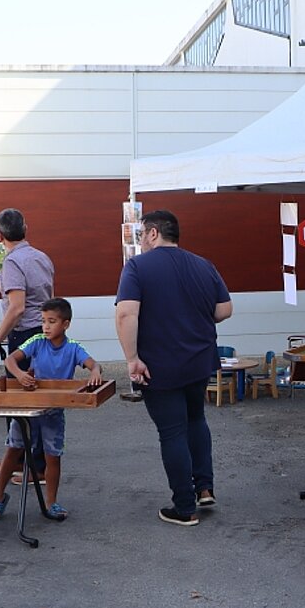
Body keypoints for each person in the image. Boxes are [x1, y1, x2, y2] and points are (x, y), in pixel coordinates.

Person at [115, 210, 231, 526]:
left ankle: (184, 506)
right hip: (199, 359)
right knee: (196, 419)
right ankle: (204, 488)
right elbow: (224, 310)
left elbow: (127, 314)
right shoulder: (204, 264)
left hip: (159, 364)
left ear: (153, 233)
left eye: (141, 234)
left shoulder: (137, 267)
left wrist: (131, 358)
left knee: (172, 431)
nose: (140, 241)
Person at [0, 298, 102, 522]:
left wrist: (95, 371)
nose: (46, 326)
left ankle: (51, 503)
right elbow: (11, 360)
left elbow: (93, 364)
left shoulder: (73, 348)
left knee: (53, 457)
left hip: (54, 411)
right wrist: (20, 375)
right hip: (28, 408)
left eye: (52, 321)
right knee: (13, 450)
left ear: (66, 324)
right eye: (43, 321)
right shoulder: (37, 341)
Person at [0, 209, 54, 479]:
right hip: (44, 331)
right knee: (32, 397)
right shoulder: (41, 256)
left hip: (25, 335)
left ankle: (34, 466)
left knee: (22, 401)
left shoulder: (13, 262)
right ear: (26, 227)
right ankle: (18, 459)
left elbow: (16, 308)